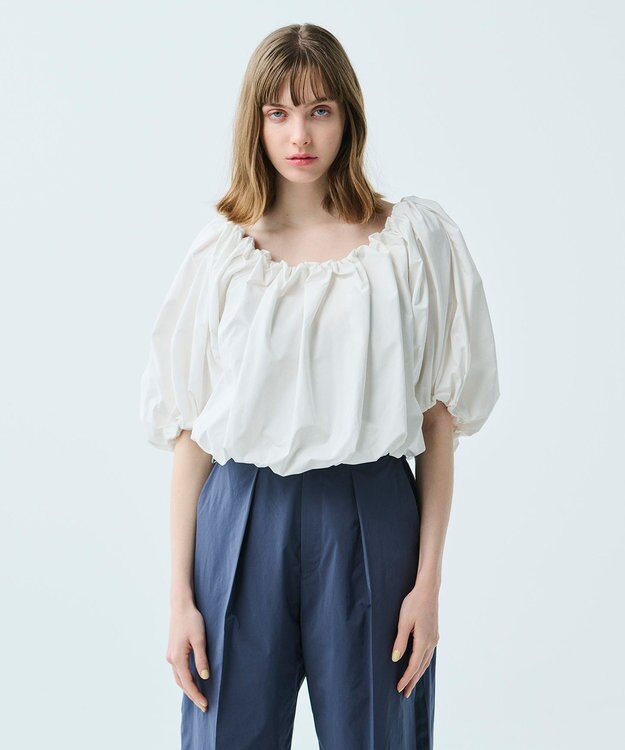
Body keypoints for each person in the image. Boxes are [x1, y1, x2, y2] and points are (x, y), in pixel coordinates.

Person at [139, 22, 500, 750]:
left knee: (377, 737)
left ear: (348, 117)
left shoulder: (412, 245)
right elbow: (190, 434)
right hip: (241, 517)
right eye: (278, 113)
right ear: (255, 123)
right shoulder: (222, 254)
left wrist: (428, 586)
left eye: (319, 110)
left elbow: (438, 422)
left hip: (371, 515)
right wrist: (179, 599)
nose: (298, 134)